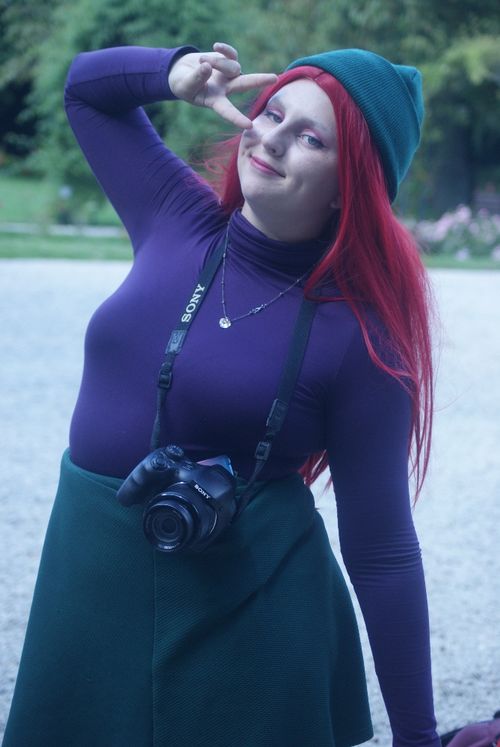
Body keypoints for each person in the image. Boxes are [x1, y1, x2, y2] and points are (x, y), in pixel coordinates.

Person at [3, 41, 440, 747]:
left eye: (312, 138)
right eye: (272, 114)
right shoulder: (177, 218)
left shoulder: (362, 341)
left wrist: (417, 736)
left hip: (249, 621)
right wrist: (173, 72)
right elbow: (86, 91)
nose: (272, 139)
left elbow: (382, 547)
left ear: (348, 186)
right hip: (87, 579)